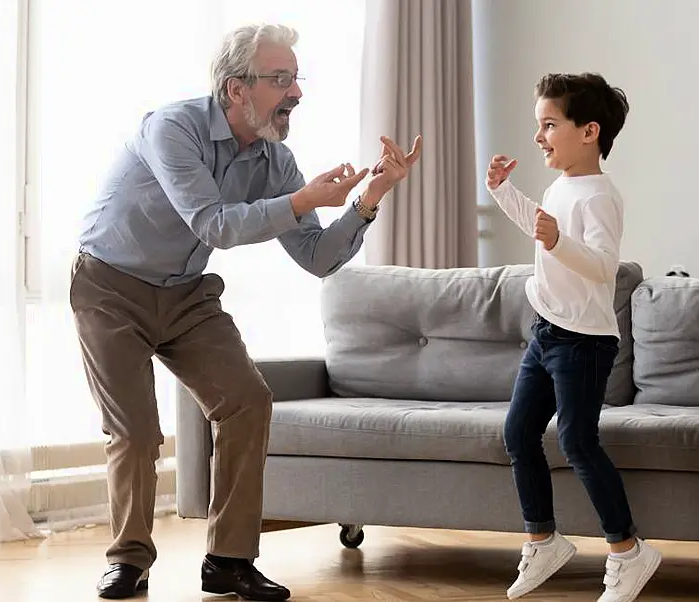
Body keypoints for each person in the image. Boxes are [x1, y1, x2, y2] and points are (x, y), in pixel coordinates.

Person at [70, 23, 421, 601]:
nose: (297, 94)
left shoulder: (274, 160)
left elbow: (317, 258)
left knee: (247, 400)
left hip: (186, 293)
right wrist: (306, 199)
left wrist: (370, 196)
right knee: (134, 432)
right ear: (236, 89)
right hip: (111, 287)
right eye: (281, 80)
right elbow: (214, 225)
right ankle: (129, 561)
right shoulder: (172, 129)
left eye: (295, 79)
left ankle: (228, 561)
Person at [485, 72, 660, 602]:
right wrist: (501, 191)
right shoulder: (559, 186)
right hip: (547, 333)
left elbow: (605, 266)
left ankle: (628, 550)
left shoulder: (601, 196)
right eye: (538, 126)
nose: (539, 136)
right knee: (518, 434)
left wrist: (559, 241)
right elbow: (540, 225)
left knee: (577, 441)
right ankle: (543, 540)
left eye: (548, 125)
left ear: (589, 131)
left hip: (584, 341)